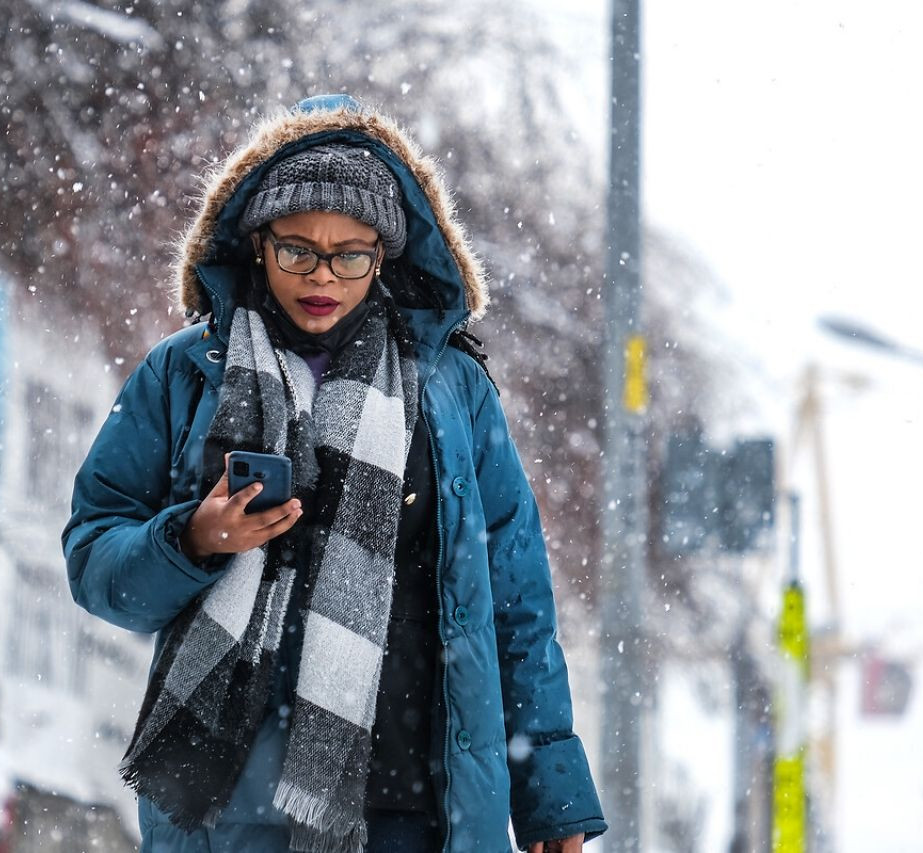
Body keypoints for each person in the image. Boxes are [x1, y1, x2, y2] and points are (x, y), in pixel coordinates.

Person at [62, 94, 606, 853]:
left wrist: (549, 795)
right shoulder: (186, 373)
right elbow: (94, 557)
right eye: (298, 249)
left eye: (351, 253)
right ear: (258, 244)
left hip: (418, 807)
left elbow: (517, 604)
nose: (324, 276)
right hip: (231, 814)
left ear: (384, 255)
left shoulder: (451, 389)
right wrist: (190, 539)